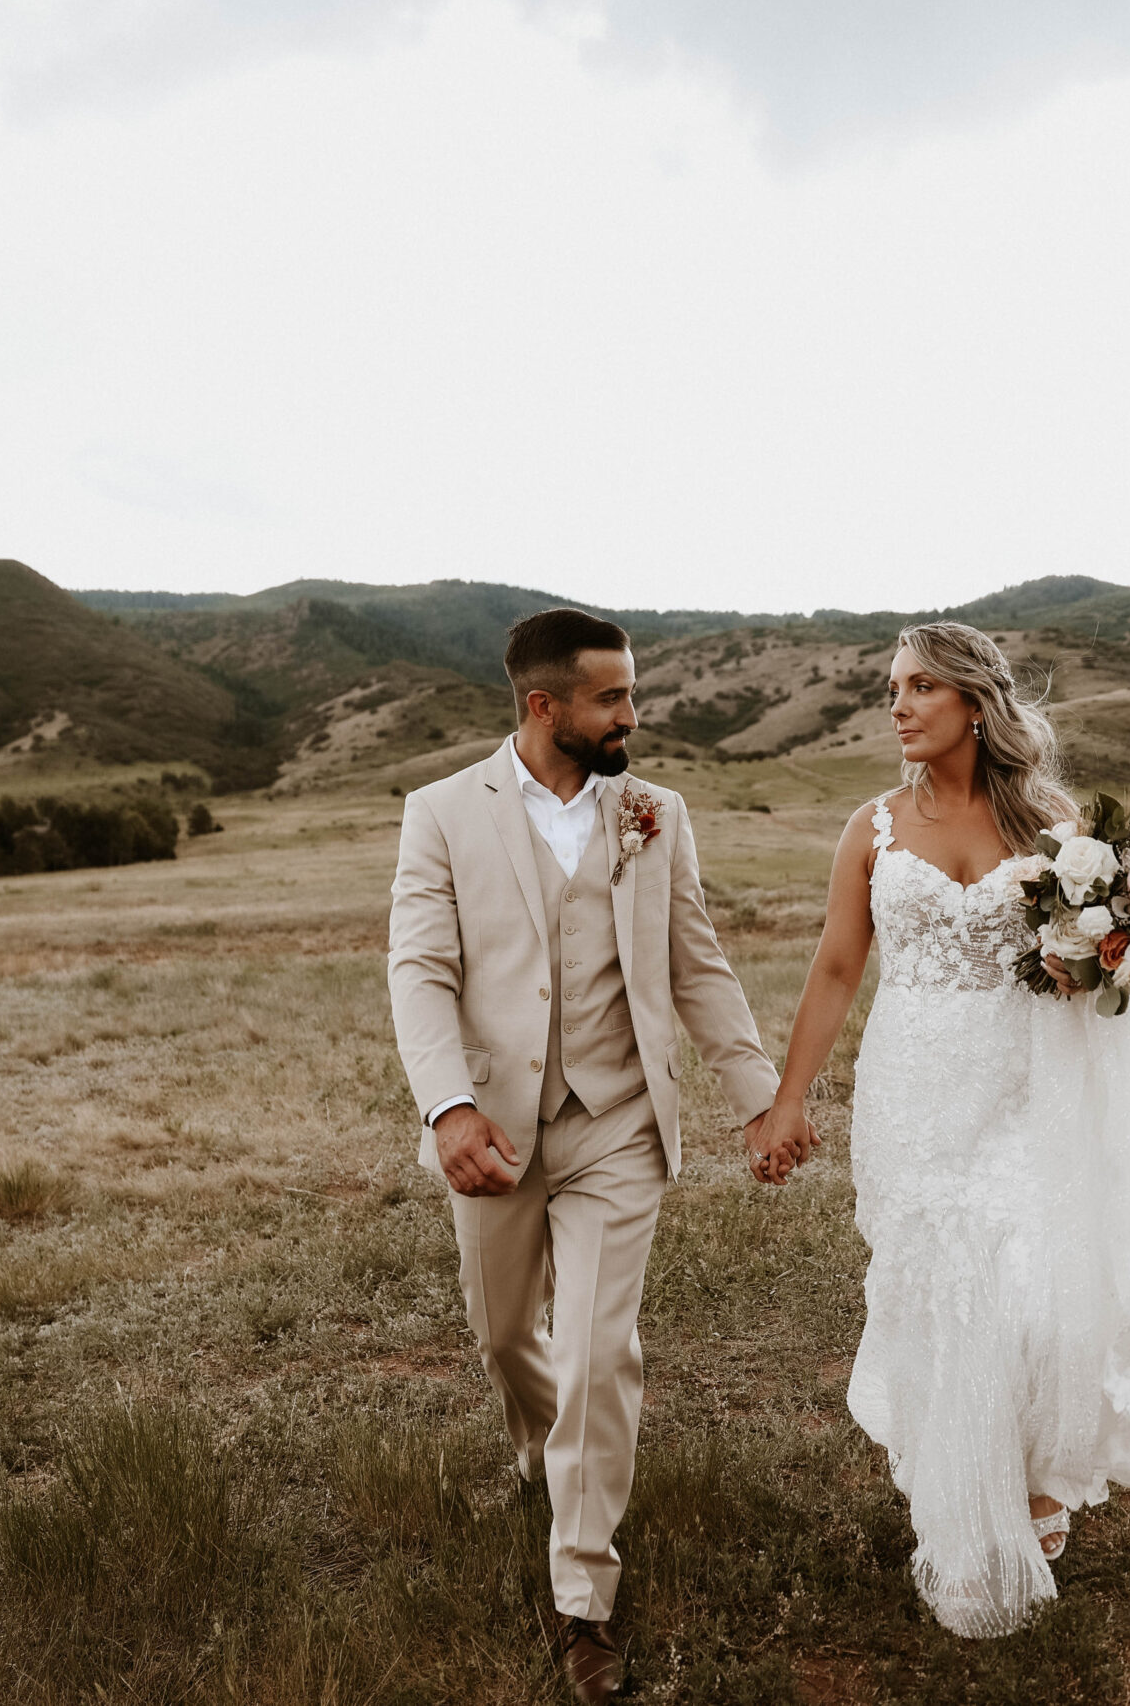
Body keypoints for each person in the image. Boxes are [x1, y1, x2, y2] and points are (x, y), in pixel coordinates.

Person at [749, 620, 1130, 1638]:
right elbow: (834, 967)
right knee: (940, 1293)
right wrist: (789, 1098)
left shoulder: (1054, 826)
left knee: (1034, 1291)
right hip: (914, 1092)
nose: (896, 706)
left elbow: (1088, 956)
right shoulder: (869, 828)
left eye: (917, 689)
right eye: (891, 688)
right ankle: (956, 1506)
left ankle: (1036, 1476)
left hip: (1028, 1086)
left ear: (973, 707)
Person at [387, 608, 817, 1704]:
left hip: (621, 1124)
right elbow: (421, 972)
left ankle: (583, 1600)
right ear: (546, 707)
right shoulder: (440, 813)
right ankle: (545, 1455)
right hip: (491, 1129)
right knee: (502, 1339)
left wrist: (762, 1098)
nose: (635, 713)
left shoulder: (655, 814)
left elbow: (698, 966)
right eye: (614, 698)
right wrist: (447, 1110)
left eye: (632, 692)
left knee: (595, 1356)